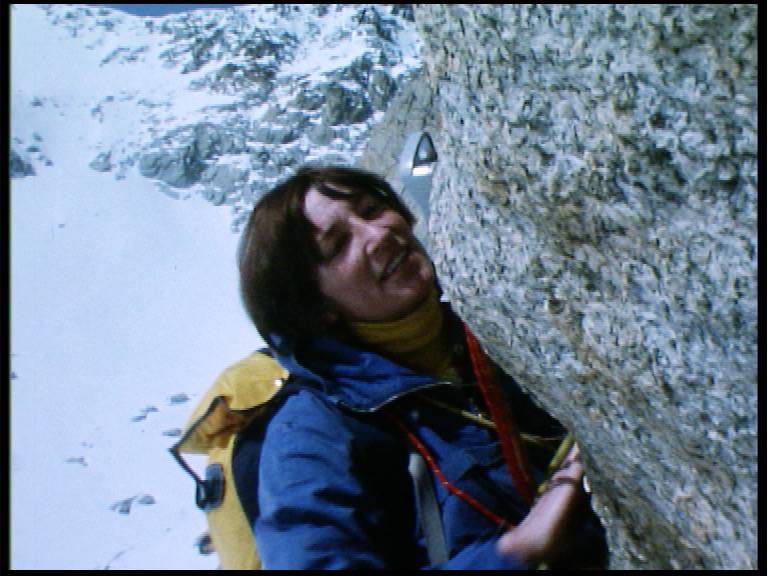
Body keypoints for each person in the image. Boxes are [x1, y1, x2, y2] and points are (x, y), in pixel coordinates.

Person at [234, 165, 608, 569]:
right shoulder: (311, 434)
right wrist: (515, 552)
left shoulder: (490, 324)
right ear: (314, 306)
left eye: (373, 209)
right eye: (338, 245)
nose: (378, 235)